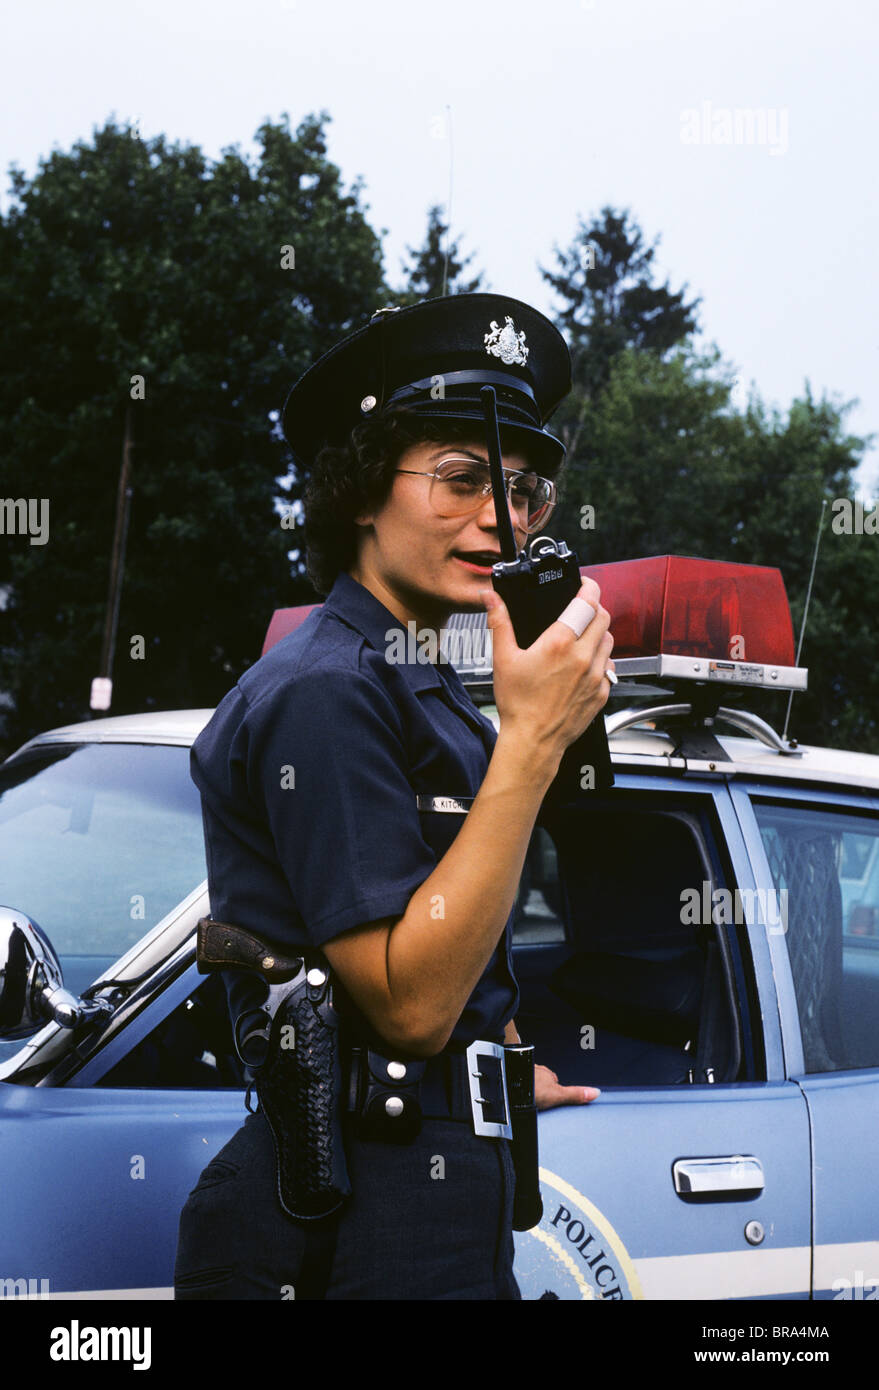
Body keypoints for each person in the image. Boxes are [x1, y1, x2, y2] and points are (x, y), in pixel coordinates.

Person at [173, 293, 615, 1301]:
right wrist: (532, 743)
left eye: (525, 489)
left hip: (427, 1181)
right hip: (354, 1215)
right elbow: (408, 1007)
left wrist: (490, 1068)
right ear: (363, 493)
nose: (501, 519)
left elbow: (447, 976)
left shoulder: (418, 687)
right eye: (461, 480)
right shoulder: (331, 691)